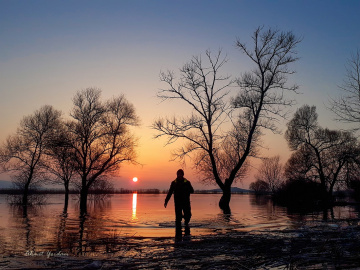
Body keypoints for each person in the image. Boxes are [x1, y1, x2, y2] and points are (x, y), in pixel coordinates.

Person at [164, 169, 194, 241]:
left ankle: (187, 232)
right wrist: (166, 201)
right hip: (177, 203)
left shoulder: (187, 182)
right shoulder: (174, 183)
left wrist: (188, 190)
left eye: (180, 174)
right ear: (177, 175)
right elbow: (170, 192)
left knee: (188, 216)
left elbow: (192, 191)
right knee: (178, 219)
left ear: (183, 175)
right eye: (178, 174)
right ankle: (178, 238)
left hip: (186, 202)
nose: (179, 175)